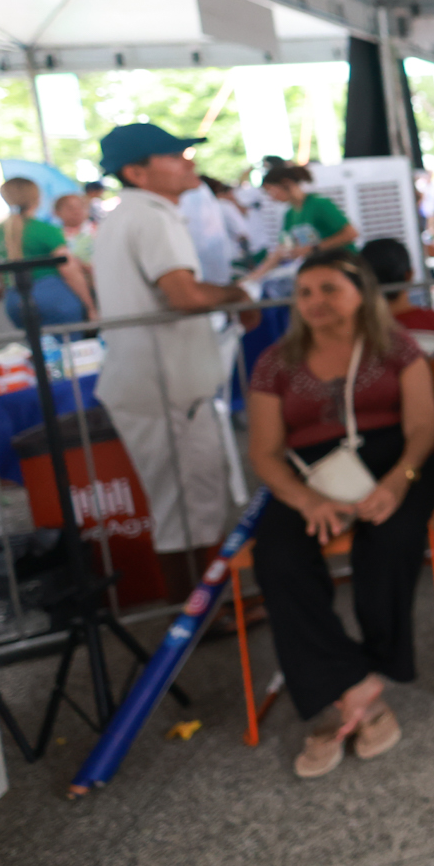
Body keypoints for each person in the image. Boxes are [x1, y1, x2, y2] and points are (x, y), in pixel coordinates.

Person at [246, 249, 434, 777]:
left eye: (330, 288)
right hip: (312, 475)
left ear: (362, 293)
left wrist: (397, 482)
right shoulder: (275, 363)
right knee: (278, 557)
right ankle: (353, 685)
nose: (316, 301)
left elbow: (423, 427)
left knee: (391, 538)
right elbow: (264, 452)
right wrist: (306, 499)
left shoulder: (396, 346)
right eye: (305, 292)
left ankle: (371, 666)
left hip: (397, 460)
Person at [96, 123, 281, 600]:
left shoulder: (130, 215)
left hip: (157, 383)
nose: (187, 162)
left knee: (186, 503)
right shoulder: (152, 216)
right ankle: (202, 613)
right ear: (137, 172)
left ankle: (203, 608)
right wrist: (237, 296)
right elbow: (184, 295)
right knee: (189, 505)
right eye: (173, 156)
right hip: (165, 388)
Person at [0, 178, 96, 327]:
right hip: (53, 296)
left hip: (14, 299)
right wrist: (90, 307)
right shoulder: (45, 230)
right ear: (37, 198)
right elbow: (70, 271)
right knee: (66, 340)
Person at [263, 164, 359, 256]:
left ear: (286, 183)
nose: (271, 197)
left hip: (341, 260)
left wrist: (314, 249)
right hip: (321, 263)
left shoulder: (319, 204)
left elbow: (351, 234)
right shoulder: (290, 214)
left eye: (271, 191)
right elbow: (282, 246)